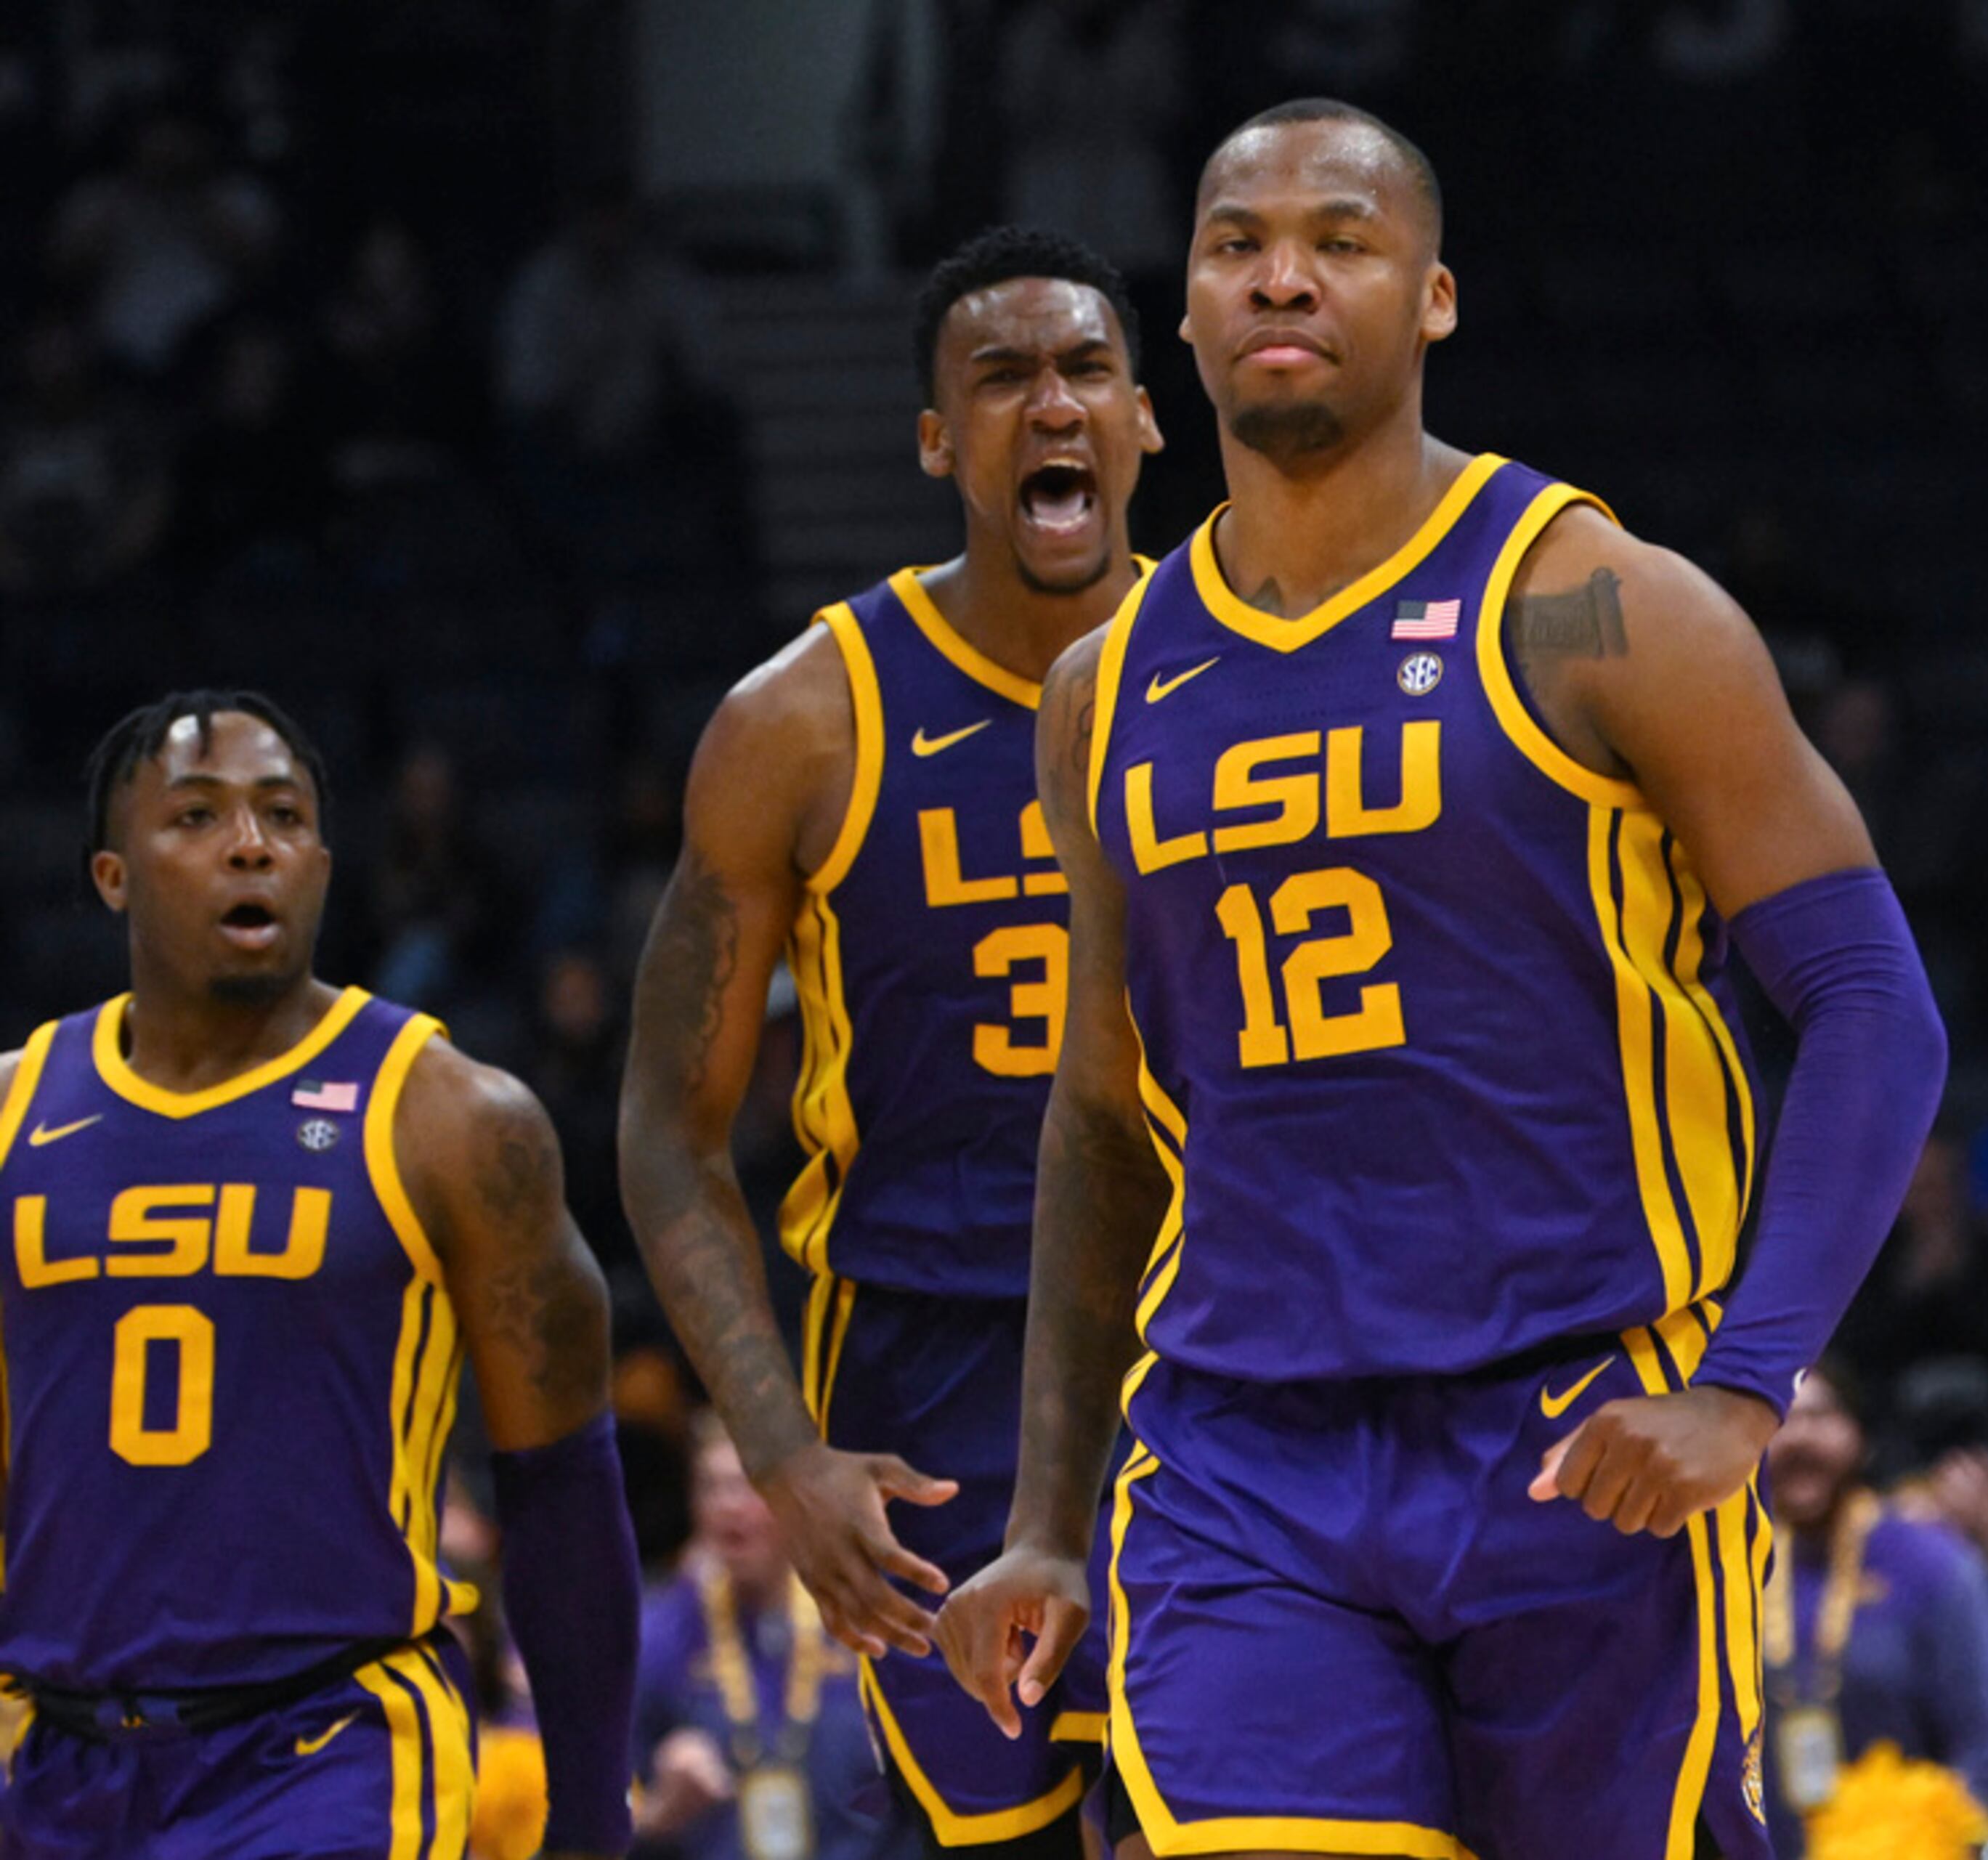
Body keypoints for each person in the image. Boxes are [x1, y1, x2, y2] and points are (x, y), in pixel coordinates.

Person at [930, 100, 1947, 1860]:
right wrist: (1042, 1514)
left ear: (1436, 298)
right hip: (1241, 1457)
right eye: (1237, 243)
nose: (1283, 275)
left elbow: (1867, 996)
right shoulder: (1108, 687)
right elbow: (1100, 1121)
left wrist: (1744, 1378)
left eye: (1340, 239)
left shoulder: (1579, 605)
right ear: (1182, 313)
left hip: (1573, 1433)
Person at [619, 224, 1161, 1857]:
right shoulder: (804, 717)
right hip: (934, 1359)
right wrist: (778, 1450)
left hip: (1212, 1338)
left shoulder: (1258, 670)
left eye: (1084, 371)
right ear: (938, 441)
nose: (1047, 406)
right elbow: (666, 1123)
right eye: (1000, 378)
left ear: (1147, 418)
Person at [0, 691, 638, 1859]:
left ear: (325, 865)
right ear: (109, 876)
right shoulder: (13, 1112)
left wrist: (593, 1813)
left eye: (284, 816)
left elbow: (560, 1480)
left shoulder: (453, 1119)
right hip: (58, 1762)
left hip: (331, 1748)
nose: (252, 844)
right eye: (196, 816)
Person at [1758, 1367, 1988, 1843]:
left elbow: (1984, 1740)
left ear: (1861, 1435)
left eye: (1819, 1415)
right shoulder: (1731, 1569)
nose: (1798, 1437)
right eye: (1779, 1417)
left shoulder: (1932, 1560)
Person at [635, 1416, 880, 1860]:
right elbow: (606, 1817)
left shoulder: (865, 1626)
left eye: (748, 1486)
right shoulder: (657, 1634)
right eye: (711, 1487)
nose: (728, 1506)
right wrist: (658, 1812)